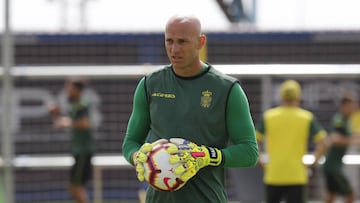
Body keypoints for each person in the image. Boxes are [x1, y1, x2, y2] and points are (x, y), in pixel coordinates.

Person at [122, 15, 258, 203]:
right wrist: (137, 156)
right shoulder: (149, 85)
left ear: (201, 42)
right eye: (169, 41)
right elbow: (130, 143)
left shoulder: (227, 89)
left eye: (182, 42)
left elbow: (249, 153)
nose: (174, 49)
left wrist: (207, 155)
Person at [256, 79, 328, 203]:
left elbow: (255, 140)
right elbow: (323, 142)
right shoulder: (306, 117)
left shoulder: (269, 116)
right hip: (297, 174)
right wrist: (313, 162)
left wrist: (260, 160)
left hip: (274, 173)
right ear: (298, 97)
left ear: (281, 97)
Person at [48, 79, 95, 203]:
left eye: (69, 88)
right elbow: (67, 122)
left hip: (83, 151)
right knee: (74, 187)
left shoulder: (82, 105)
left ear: (76, 90)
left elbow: (85, 123)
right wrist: (56, 115)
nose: (67, 91)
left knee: (76, 187)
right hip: (79, 151)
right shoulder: (76, 105)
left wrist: (67, 123)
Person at [322, 95, 358, 203]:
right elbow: (334, 139)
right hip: (333, 167)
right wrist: (352, 141)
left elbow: (349, 136)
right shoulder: (339, 119)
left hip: (333, 166)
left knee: (331, 195)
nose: (354, 108)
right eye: (351, 106)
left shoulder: (346, 121)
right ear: (344, 106)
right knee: (350, 195)